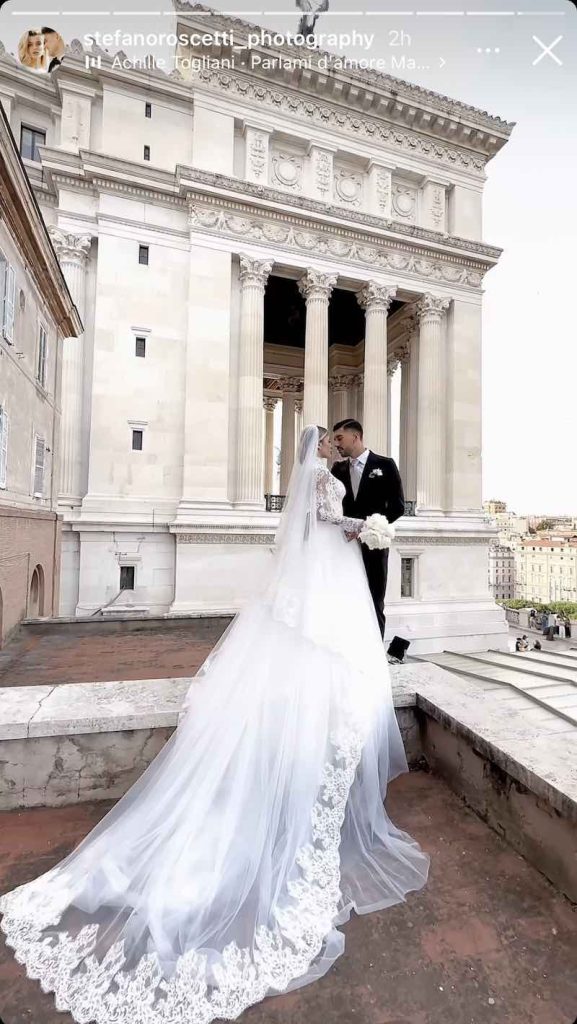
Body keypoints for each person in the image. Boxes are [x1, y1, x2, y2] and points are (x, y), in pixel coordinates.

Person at [0, 426, 428, 1024]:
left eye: (337, 440)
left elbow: (325, 522)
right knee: (333, 659)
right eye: (329, 442)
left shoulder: (316, 478)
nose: (333, 445)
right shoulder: (325, 480)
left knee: (308, 649)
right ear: (322, 450)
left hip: (324, 580)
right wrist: (368, 528)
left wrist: (372, 525)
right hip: (336, 573)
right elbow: (336, 524)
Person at [331, 418, 405, 638]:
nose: (336, 443)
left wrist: (366, 528)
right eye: (334, 439)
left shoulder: (385, 464)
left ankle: (375, 656)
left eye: (339, 438)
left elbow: (397, 507)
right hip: (343, 546)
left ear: (356, 436)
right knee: (346, 599)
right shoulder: (337, 469)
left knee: (374, 601)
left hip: (373, 545)